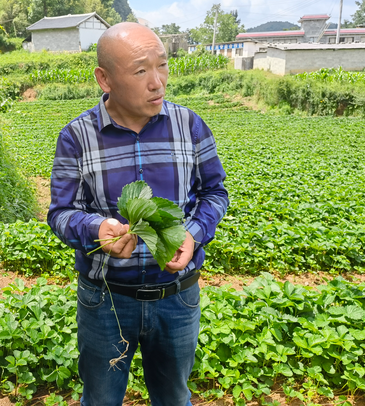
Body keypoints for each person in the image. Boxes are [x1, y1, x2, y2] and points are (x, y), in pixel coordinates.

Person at [47, 22, 229, 406]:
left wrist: (192, 233)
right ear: (105, 78)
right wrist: (98, 229)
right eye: (141, 70)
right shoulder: (77, 137)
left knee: (174, 398)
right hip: (107, 300)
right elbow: (60, 213)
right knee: (100, 399)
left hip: (176, 298)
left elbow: (214, 193)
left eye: (162, 66)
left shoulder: (190, 125)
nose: (157, 82)